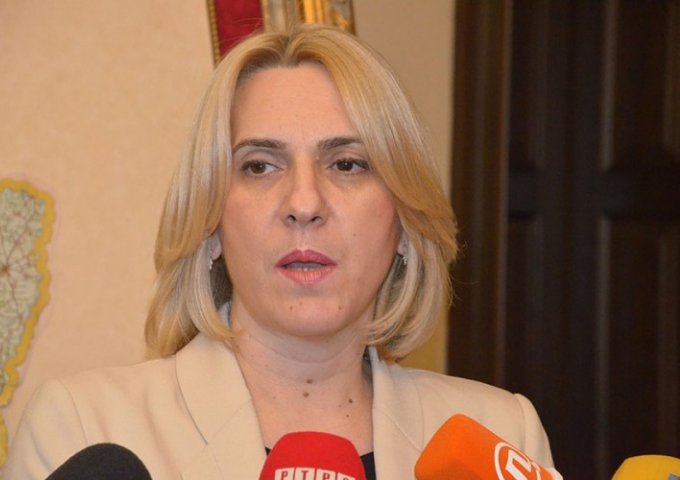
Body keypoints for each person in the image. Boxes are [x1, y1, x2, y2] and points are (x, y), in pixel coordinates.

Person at [6, 24, 557, 479]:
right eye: (260, 166)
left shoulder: (502, 434)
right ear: (210, 223)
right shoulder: (84, 428)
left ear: (404, 222)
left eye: (347, 163)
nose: (304, 203)